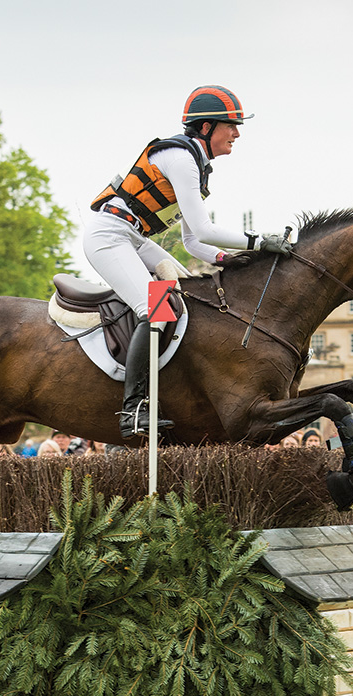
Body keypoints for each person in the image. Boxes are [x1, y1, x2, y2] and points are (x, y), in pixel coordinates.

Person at [85, 85, 292, 439]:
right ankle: (135, 408)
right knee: (156, 309)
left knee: (188, 296)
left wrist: (231, 258)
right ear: (207, 127)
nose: (237, 133)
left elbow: (192, 242)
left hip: (133, 239)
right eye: (232, 125)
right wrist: (260, 241)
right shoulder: (181, 160)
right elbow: (204, 228)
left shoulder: (194, 163)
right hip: (109, 238)